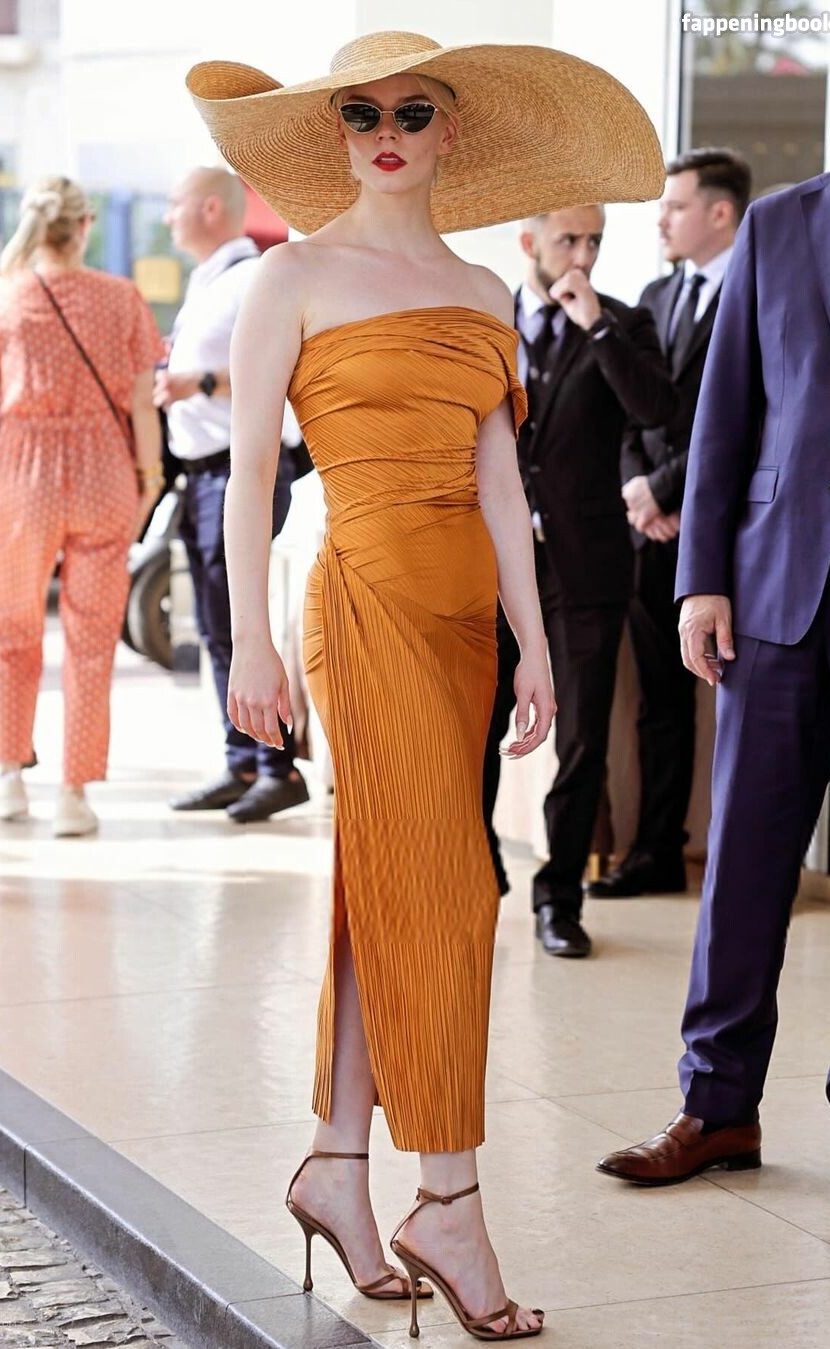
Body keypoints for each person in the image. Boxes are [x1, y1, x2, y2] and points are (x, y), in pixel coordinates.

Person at [189, 30, 661, 1339]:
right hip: (363, 605)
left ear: (453, 132)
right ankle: (447, 1194)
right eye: (362, 113)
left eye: (412, 112)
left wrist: (534, 642)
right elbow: (248, 474)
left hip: (465, 627)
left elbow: (502, 482)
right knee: (451, 889)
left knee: (387, 883)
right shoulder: (290, 277)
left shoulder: (483, 290)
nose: (386, 133)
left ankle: (337, 1165)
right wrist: (247, 641)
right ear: (336, 133)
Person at [596, 3, 830, 1201]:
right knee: (744, 864)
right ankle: (715, 1106)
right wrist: (700, 577)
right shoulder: (778, 223)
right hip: (772, 590)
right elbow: (725, 414)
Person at [482, 209, 674, 959]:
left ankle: (559, 897)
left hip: (587, 564)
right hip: (491, 563)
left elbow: (658, 409)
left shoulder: (623, 323)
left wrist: (597, 328)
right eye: (569, 240)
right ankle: (478, 869)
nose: (583, 255)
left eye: (595, 241)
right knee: (478, 725)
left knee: (584, 735)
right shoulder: (484, 319)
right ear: (530, 242)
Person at [0, 176, 164, 837]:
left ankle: (8, 776)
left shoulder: (1, 296)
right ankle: (74, 795)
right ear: (85, 228)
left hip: (25, 475)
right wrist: (150, 478)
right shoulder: (123, 298)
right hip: (106, 472)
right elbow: (142, 404)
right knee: (92, 638)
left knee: (13, 628)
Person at [591, 148, 751, 900]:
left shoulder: (758, 288)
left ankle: (743, 860)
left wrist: (664, 490)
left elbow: (743, 417)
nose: (661, 221)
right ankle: (657, 851)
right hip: (651, 527)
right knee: (659, 696)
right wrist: (639, 490)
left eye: (676, 206)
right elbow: (633, 403)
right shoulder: (657, 294)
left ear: (720, 212)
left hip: (724, 527)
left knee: (741, 702)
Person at [158, 167, 310, 825]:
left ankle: (278, 768)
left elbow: (283, 368)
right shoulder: (210, 279)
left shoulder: (254, 278)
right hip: (203, 475)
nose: (167, 217)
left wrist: (199, 383)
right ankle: (243, 759)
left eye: (175, 204)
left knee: (245, 623)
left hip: (239, 472)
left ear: (211, 209)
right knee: (217, 628)